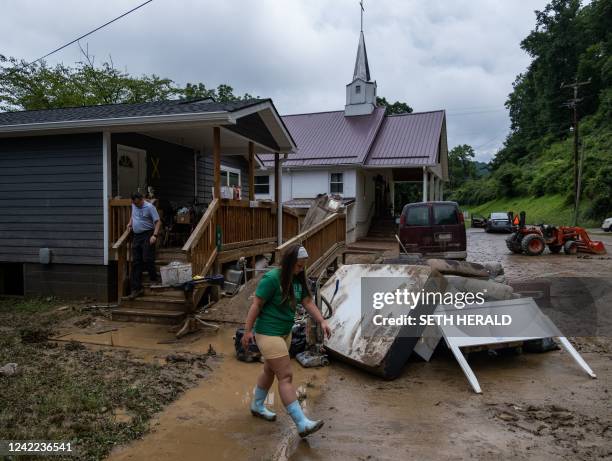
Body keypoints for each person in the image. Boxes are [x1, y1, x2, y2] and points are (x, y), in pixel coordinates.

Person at [242, 244, 331, 438]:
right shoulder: (272, 279)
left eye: (302, 266)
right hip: (268, 333)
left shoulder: (298, 281)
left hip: (284, 333)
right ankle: (302, 423)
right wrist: (247, 331)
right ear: (289, 263)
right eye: (298, 266)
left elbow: (307, 302)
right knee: (286, 376)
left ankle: (257, 406)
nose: (301, 269)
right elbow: (256, 304)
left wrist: (322, 321)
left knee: (269, 370)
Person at [126, 192, 161, 299]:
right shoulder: (134, 205)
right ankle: (136, 289)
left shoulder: (150, 207)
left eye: (138, 204)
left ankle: (154, 279)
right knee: (136, 262)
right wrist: (130, 223)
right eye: (134, 204)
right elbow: (133, 215)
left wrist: (154, 235)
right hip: (137, 235)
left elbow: (158, 222)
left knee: (147, 258)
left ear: (142, 199)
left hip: (148, 234)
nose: (136, 205)